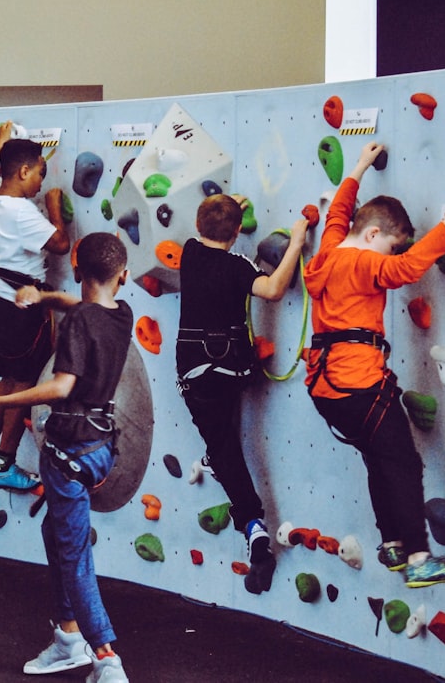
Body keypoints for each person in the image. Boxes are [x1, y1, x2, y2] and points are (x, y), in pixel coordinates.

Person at [303, 140, 445, 588]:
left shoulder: (327, 253)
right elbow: (404, 269)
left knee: (377, 460)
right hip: (359, 384)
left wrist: (360, 167)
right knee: (402, 463)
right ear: (371, 237)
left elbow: (337, 215)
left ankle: (392, 544)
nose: (388, 253)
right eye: (388, 245)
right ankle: (421, 558)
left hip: (326, 389)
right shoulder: (364, 263)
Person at [0, 232, 132, 683]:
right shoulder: (121, 314)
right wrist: (42, 296)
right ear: (124, 276)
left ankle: (105, 658)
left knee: (74, 553)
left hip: (69, 450)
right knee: (55, 530)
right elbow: (78, 304)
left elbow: (62, 386)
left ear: (77, 271)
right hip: (100, 450)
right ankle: (67, 637)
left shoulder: (79, 323)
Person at [176, 194, 308, 594]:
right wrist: (298, 244)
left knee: (222, 444)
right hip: (234, 369)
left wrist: (225, 207)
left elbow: (211, 228)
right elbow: (271, 289)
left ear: (199, 227)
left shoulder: (190, 252)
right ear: (237, 233)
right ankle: (246, 513)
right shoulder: (237, 266)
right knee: (223, 442)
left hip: (197, 370)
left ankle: (254, 531)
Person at [0, 121, 70, 491]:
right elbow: (60, 244)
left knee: (8, 379)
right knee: (24, 384)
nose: (42, 182)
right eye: (41, 173)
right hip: (16, 309)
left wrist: (0, 144)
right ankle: (3, 465)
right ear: (24, 171)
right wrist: (54, 207)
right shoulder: (21, 211)